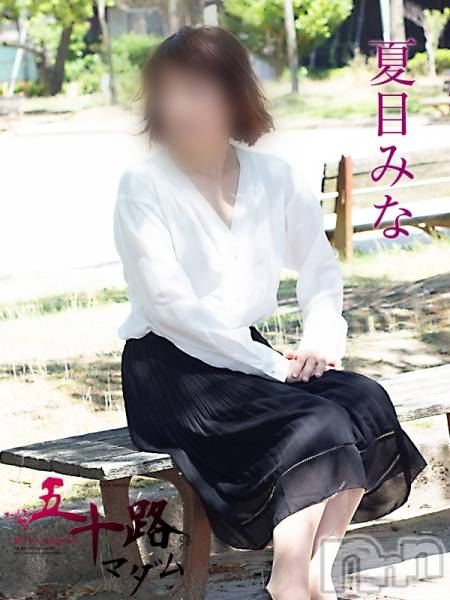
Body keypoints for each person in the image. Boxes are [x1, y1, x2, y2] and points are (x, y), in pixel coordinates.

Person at [114, 26, 426, 600]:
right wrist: (271, 365)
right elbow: (169, 307)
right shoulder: (144, 185)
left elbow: (318, 267)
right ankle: (287, 579)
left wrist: (320, 340)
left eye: (199, 90)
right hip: (172, 368)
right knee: (317, 424)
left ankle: (317, 578)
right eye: (171, 91)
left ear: (235, 94)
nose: (183, 106)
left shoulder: (274, 178)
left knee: (363, 401)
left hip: (245, 352)